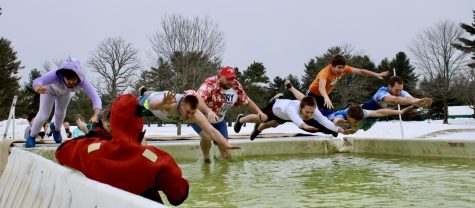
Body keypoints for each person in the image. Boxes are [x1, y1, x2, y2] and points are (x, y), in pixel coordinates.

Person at [56, 94, 189, 205]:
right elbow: (178, 196)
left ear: (113, 121)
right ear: (138, 121)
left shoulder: (91, 149)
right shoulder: (156, 159)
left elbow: (61, 152)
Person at [139, 89, 240, 159]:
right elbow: (152, 105)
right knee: (144, 100)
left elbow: (212, 131)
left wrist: (226, 144)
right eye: (187, 112)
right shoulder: (171, 104)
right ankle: (145, 92)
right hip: (150, 102)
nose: (189, 116)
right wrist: (162, 102)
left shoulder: (196, 115)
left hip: (162, 100)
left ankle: (147, 91)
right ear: (182, 105)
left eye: (192, 113)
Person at [195, 66, 268, 160]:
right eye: (228, 79)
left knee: (225, 150)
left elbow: (247, 101)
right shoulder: (210, 83)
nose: (230, 81)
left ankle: (224, 169)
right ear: (220, 76)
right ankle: (206, 159)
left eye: (232, 78)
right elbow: (197, 98)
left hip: (219, 120)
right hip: (199, 116)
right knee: (207, 137)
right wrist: (208, 111)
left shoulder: (236, 86)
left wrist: (260, 112)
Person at [26, 60, 102, 148]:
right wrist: (37, 87)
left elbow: (95, 96)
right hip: (48, 91)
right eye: (68, 80)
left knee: (61, 112)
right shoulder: (55, 75)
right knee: (44, 115)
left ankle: (56, 129)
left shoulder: (83, 80)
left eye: (74, 80)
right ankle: (32, 135)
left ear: (78, 78)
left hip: (65, 92)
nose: (72, 83)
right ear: (63, 77)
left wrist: (96, 114)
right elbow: (38, 80)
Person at [237, 96, 354, 140]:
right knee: (261, 118)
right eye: (307, 112)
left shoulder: (314, 111)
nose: (309, 115)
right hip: (276, 109)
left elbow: (325, 122)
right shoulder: (292, 108)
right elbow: (297, 120)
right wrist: (305, 125)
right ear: (301, 108)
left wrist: (341, 130)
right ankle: (241, 120)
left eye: (311, 112)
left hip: (284, 117)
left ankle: (258, 130)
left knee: (273, 125)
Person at [302, 54, 389, 109]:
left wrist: (377, 74)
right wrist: (326, 97)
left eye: (343, 67)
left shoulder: (344, 69)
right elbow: (321, 87)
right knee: (311, 112)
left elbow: (361, 71)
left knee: (328, 115)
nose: (341, 70)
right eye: (339, 67)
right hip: (313, 94)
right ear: (332, 66)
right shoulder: (324, 73)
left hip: (325, 96)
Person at [362, 76, 432, 110]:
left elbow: (411, 98)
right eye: (397, 90)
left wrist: (419, 101)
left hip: (374, 117)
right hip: (363, 111)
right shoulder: (382, 92)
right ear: (389, 86)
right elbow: (395, 100)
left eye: (400, 90)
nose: (399, 93)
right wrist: (412, 102)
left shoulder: (400, 91)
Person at [327, 105, 413, 132]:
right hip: (332, 121)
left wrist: (399, 112)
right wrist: (338, 122)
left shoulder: (363, 113)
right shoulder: (341, 115)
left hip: (353, 123)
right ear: (349, 117)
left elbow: (379, 112)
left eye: (358, 121)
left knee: (374, 116)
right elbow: (336, 119)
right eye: (355, 121)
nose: (356, 123)